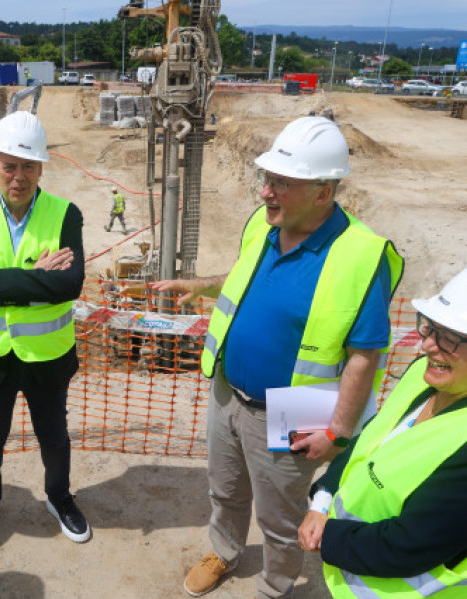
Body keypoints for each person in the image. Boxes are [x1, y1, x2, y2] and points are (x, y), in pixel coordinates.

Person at [151, 116, 403, 598]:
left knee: (281, 513)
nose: (266, 191)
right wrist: (202, 285)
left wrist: (338, 431)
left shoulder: (360, 257)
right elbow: (244, 279)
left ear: (323, 192)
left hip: (300, 411)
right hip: (227, 392)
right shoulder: (264, 224)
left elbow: (363, 357)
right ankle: (224, 551)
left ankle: (276, 583)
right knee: (224, 490)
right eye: (267, 179)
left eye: (281, 183)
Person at [0, 111, 90, 549]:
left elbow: (69, 285)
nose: (18, 176)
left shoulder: (66, 214)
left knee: (54, 436)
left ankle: (59, 497)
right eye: (9, 165)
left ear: (41, 168)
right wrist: (33, 279)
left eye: (28, 166)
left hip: (47, 354)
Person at [299, 268, 467, 597]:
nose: (427, 344)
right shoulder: (423, 374)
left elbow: (407, 546)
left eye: (449, 337)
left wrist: (326, 536)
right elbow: (370, 441)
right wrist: (321, 501)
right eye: (430, 327)